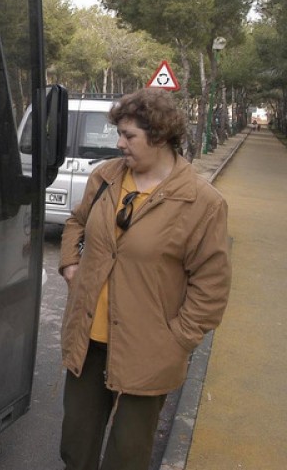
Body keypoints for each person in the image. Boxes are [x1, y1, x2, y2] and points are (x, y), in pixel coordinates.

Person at [58, 88, 232, 470]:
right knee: (76, 446)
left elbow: (212, 286)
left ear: (160, 137)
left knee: (128, 455)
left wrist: (177, 340)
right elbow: (77, 222)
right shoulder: (105, 177)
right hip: (89, 340)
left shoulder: (201, 202)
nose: (119, 144)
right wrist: (71, 264)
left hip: (149, 350)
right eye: (119, 134)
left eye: (128, 136)